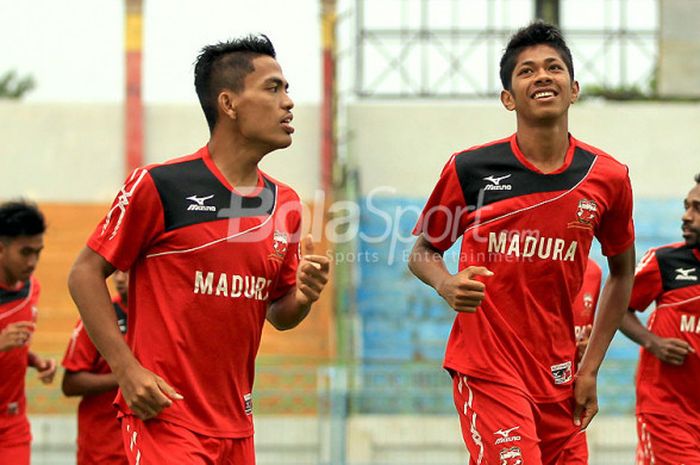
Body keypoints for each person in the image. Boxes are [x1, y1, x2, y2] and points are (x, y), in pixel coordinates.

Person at [67, 34, 330, 465]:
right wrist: (127, 370)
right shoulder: (160, 185)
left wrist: (304, 294)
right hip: (165, 418)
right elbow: (84, 273)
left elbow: (280, 314)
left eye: (287, 89)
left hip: (237, 427)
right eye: (273, 88)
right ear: (228, 104)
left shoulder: (286, 204)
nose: (289, 102)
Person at [408, 21, 636, 465]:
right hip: (488, 367)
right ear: (508, 98)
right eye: (527, 71)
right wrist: (446, 284)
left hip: (560, 378)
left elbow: (622, 273)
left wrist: (589, 368)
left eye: (553, 67)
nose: (543, 76)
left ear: (573, 88)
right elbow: (422, 251)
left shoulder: (608, 177)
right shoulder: (469, 169)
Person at [619, 173, 700, 465]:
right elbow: (616, 307)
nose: (686, 216)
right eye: (686, 206)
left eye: (697, 209)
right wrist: (653, 342)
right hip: (668, 414)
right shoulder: (665, 262)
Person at [0, 200, 57, 465]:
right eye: (25, 252)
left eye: (38, 252)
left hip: (12, 424)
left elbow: (12, 344)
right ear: (1, 248)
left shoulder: (31, 289)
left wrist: (33, 360)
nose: (33, 261)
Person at [61, 270, 129, 465]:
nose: (119, 278)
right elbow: (70, 383)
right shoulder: (99, 316)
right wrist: (127, 375)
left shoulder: (161, 315)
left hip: (148, 445)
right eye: (115, 271)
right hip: (102, 450)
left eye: (127, 271)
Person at [557, 258, 602, 465]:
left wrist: (586, 353)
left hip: (568, 404)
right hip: (527, 395)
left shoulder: (593, 271)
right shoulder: (533, 261)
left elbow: (584, 333)